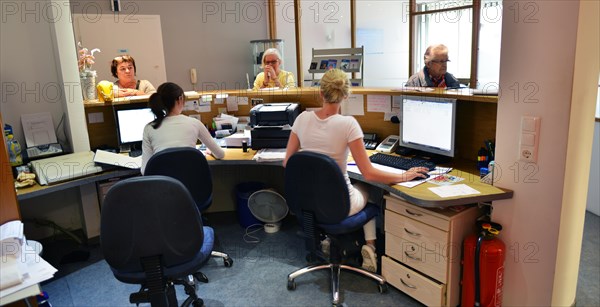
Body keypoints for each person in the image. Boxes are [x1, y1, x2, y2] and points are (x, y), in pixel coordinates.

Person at [284, 69, 429, 273]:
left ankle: (327, 240)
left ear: (320, 93)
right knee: (370, 188)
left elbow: (287, 163)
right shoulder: (348, 124)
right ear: (346, 95)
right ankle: (370, 248)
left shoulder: (301, 119)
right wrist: (403, 176)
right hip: (339, 207)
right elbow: (369, 174)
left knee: (351, 185)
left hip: (307, 206)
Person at [141, 82, 224, 173]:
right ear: (180, 99)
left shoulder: (149, 128)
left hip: (164, 186)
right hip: (193, 185)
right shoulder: (195, 123)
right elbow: (220, 154)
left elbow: (144, 170)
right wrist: (211, 151)